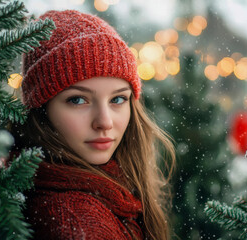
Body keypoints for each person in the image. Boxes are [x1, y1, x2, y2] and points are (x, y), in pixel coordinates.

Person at [11, 9, 175, 240]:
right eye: (77, 100)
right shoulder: (74, 223)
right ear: (41, 110)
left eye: (117, 99)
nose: (105, 122)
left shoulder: (116, 187)